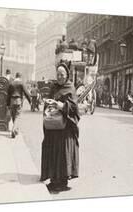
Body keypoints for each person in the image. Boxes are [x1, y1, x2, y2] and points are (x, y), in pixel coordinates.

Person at [40, 63, 80, 192]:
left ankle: (62, 181)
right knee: (53, 152)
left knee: (63, 153)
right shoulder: (54, 87)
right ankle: (53, 179)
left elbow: (74, 108)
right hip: (53, 127)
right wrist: (49, 104)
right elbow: (48, 101)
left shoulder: (70, 87)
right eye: (58, 74)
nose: (60, 77)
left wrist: (62, 106)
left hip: (65, 128)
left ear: (67, 75)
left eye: (62, 74)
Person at [7, 72, 31, 138]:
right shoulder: (21, 83)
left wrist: (7, 104)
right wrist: (30, 101)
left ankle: (16, 130)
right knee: (18, 116)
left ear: (15, 76)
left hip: (12, 100)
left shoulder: (11, 83)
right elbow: (26, 93)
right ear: (20, 77)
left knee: (13, 115)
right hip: (18, 100)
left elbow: (8, 94)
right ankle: (14, 130)